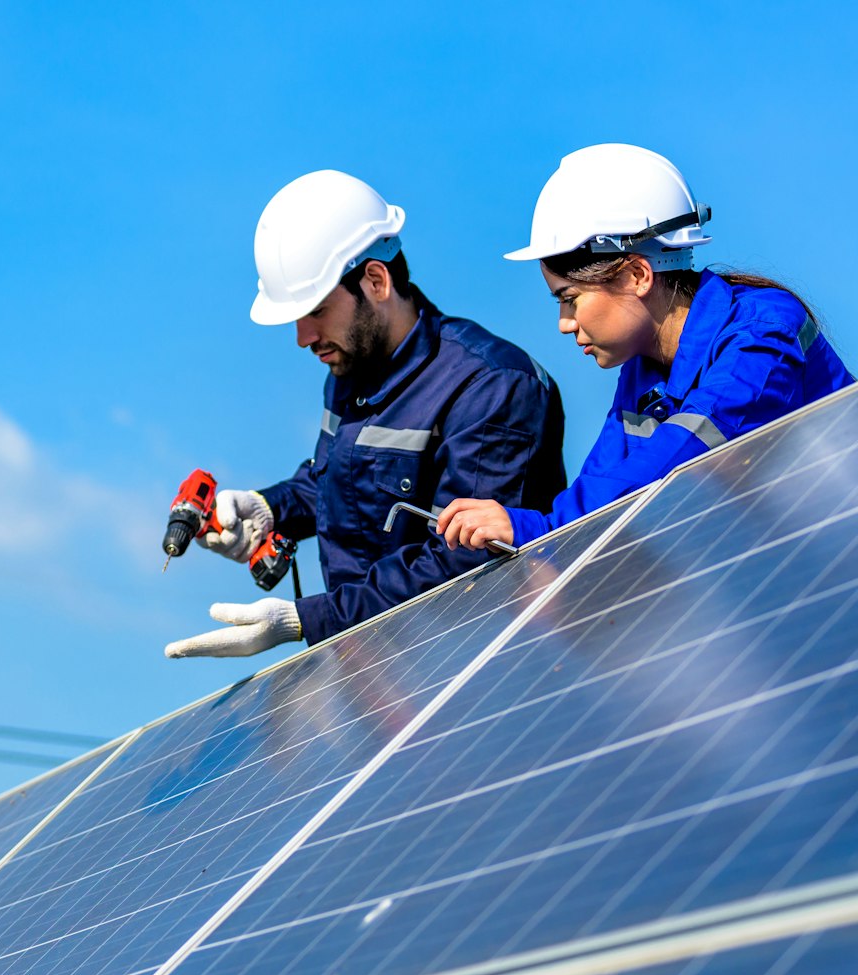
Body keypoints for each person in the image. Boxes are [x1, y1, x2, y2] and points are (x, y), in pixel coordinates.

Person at [164, 169, 566, 659]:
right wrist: (272, 508)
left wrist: (310, 619)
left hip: (470, 673)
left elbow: (466, 563)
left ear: (375, 280)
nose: (302, 337)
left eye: (314, 310)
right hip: (375, 678)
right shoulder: (350, 369)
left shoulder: (490, 385)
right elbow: (338, 483)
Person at [436, 144, 854, 553]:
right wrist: (546, 538)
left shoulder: (762, 334)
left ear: (637, 274)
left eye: (570, 298)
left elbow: (679, 464)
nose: (564, 324)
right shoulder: (645, 370)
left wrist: (535, 530)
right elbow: (604, 481)